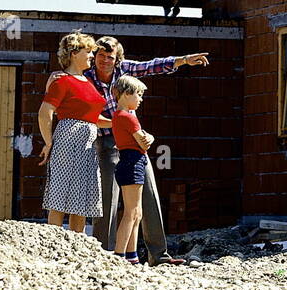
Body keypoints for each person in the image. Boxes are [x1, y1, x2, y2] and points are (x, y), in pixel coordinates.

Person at [71, 36, 209, 265]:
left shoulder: (124, 71)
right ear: (94, 56)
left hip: (134, 146)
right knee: (107, 200)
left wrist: (184, 60)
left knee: (148, 197)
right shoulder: (86, 78)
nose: (105, 60)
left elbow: (152, 65)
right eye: (101, 56)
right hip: (105, 144)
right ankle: (106, 254)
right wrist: (116, 123)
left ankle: (158, 255)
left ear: (117, 59)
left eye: (110, 57)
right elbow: (77, 101)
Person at [38, 32, 109, 232]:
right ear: (74, 53)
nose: (91, 56)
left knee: (81, 199)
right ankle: (53, 245)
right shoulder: (61, 80)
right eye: (88, 51)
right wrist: (48, 142)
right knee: (60, 195)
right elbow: (45, 113)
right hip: (68, 139)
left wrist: (118, 123)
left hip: (88, 143)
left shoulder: (89, 82)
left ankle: (75, 247)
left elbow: (93, 118)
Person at [108, 75, 153, 266]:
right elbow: (143, 142)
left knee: (137, 213)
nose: (140, 99)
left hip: (130, 161)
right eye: (138, 94)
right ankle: (120, 254)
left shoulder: (118, 116)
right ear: (126, 94)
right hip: (132, 162)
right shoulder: (128, 117)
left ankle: (132, 255)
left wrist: (148, 137)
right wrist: (151, 137)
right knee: (131, 212)